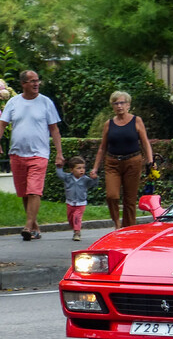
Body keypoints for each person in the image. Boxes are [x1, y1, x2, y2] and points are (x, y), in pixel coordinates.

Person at [0, 70, 64, 241]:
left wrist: (59, 153)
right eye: (32, 81)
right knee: (24, 193)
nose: (36, 84)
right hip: (17, 154)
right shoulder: (13, 102)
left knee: (34, 191)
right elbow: (2, 124)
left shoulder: (46, 102)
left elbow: (54, 130)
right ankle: (35, 226)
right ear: (23, 84)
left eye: (38, 80)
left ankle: (28, 226)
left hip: (39, 154)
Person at [90, 91, 155, 229]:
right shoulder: (109, 124)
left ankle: (128, 229)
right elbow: (102, 147)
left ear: (128, 105)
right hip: (112, 162)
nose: (119, 106)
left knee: (130, 200)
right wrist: (95, 168)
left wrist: (151, 161)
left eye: (122, 103)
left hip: (133, 162)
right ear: (112, 106)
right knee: (111, 196)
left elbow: (145, 143)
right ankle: (117, 224)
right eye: (116, 103)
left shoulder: (136, 121)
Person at [56, 156, 99, 241]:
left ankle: (77, 232)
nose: (82, 170)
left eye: (83, 168)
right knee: (71, 219)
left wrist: (94, 178)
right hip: (70, 202)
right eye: (78, 168)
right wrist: (59, 167)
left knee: (77, 217)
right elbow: (60, 175)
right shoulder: (68, 178)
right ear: (72, 170)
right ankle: (75, 229)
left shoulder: (85, 179)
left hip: (81, 203)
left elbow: (93, 184)